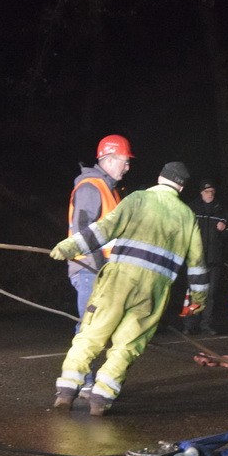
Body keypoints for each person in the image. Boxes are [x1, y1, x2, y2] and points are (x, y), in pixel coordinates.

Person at [48, 161, 209, 416]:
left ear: (160, 177)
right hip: (154, 291)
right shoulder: (187, 216)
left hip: (119, 280)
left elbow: (102, 230)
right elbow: (198, 264)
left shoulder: (137, 200)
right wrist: (198, 297)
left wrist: (68, 248)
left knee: (92, 334)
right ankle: (100, 398)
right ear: (181, 186)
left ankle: (66, 392)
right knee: (128, 344)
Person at [68, 134, 133, 321]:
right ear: (110, 160)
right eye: (125, 162)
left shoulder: (111, 191)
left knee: (101, 331)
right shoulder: (90, 187)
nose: (128, 168)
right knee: (90, 331)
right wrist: (99, 267)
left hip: (104, 269)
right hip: (90, 269)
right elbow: (83, 230)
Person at [184, 179, 228, 335]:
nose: (210, 194)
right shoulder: (192, 208)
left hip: (214, 258)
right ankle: (190, 325)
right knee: (194, 293)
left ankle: (206, 325)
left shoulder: (220, 210)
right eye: (206, 191)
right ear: (201, 193)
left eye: (212, 191)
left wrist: (225, 229)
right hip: (196, 259)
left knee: (210, 294)